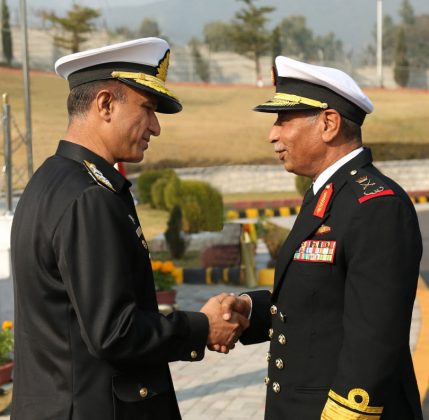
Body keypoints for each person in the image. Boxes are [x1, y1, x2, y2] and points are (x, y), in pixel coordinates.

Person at [10, 38, 248, 420]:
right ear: (105, 104)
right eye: (148, 109)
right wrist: (201, 327)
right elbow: (114, 331)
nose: (155, 127)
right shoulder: (90, 197)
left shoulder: (49, 181)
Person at [221, 56, 423, 419]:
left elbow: (374, 339)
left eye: (284, 120)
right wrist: (251, 310)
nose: (273, 134)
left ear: (329, 123)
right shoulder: (326, 194)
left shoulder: (376, 205)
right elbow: (321, 306)